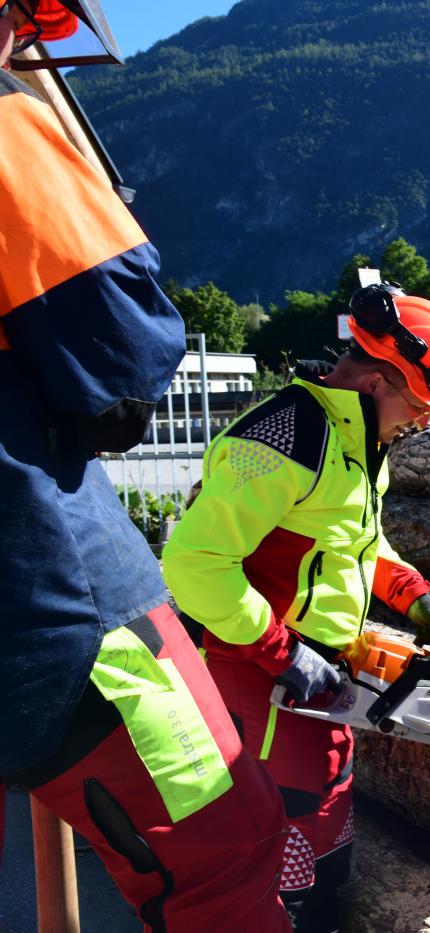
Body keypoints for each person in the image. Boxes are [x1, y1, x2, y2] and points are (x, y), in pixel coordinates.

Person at [0, 1, 293, 929]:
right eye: (20, 16)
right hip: (52, 606)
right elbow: (120, 382)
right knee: (226, 853)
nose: (19, 41)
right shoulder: (5, 127)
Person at [162, 282, 430, 932]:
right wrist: (282, 652)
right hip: (257, 675)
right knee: (278, 858)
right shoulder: (284, 439)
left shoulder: (358, 442)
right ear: (377, 382)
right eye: (419, 406)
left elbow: (354, 542)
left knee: (325, 844)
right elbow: (194, 563)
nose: (421, 423)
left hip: (313, 673)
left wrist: (414, 594)